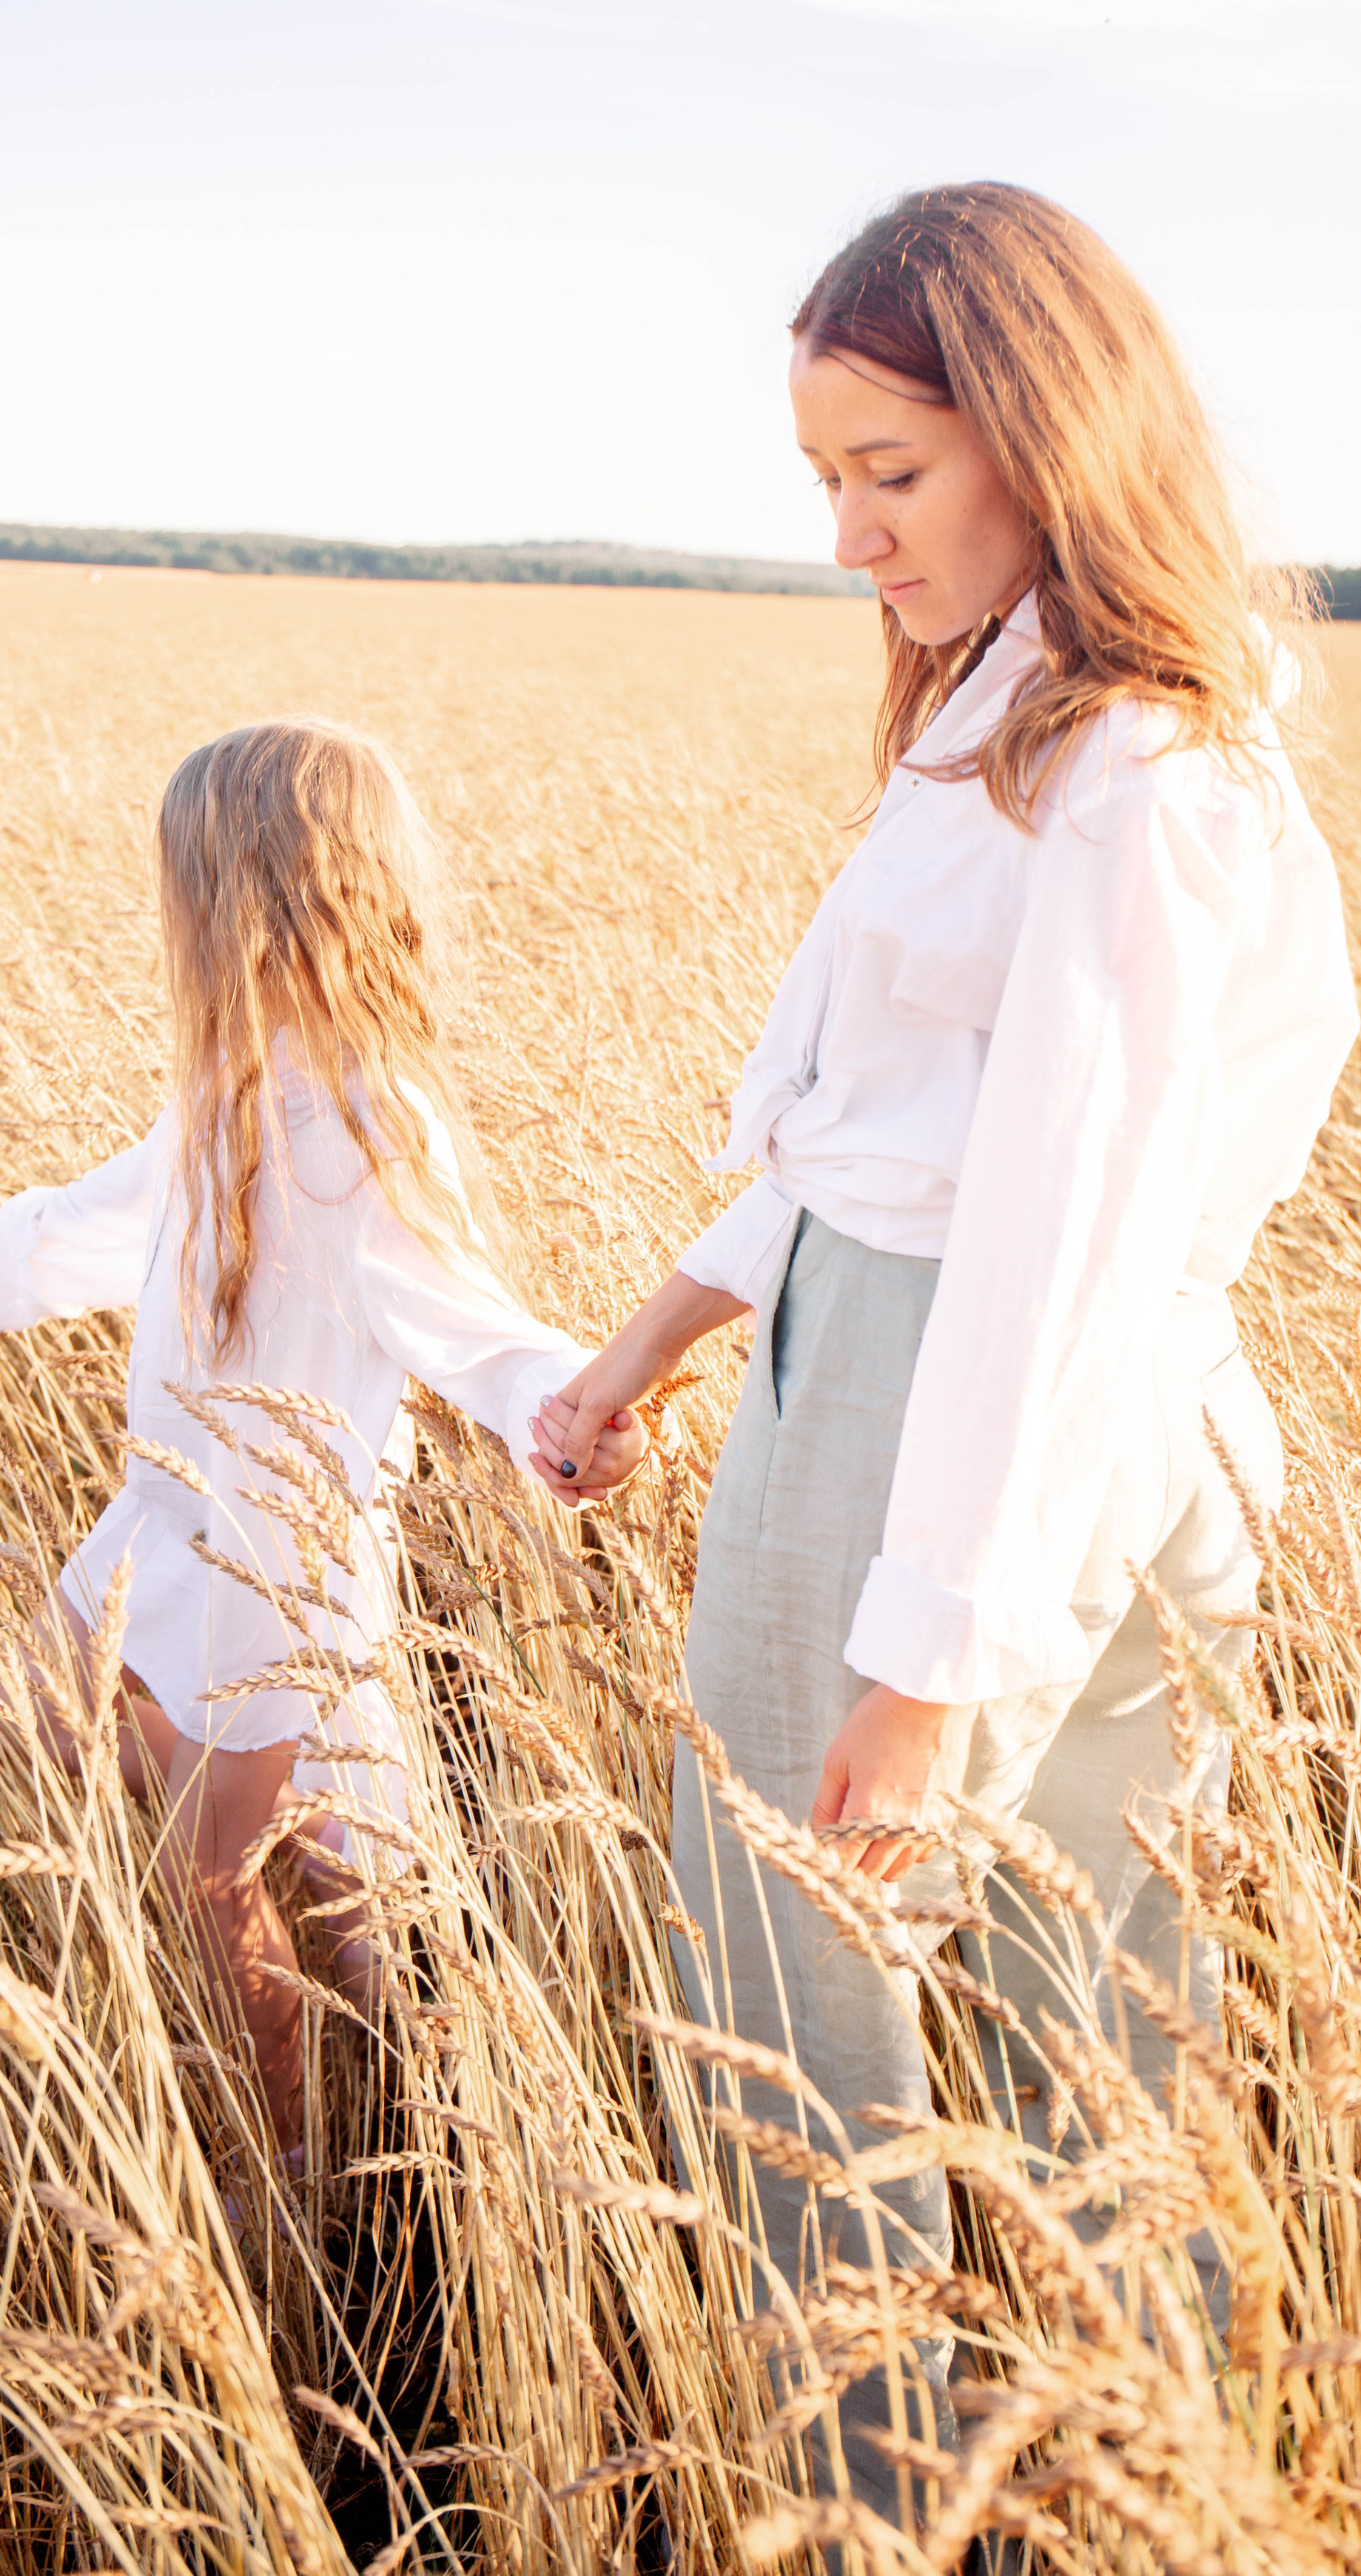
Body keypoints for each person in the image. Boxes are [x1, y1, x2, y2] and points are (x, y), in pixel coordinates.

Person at [533, 182, 1357, 2510]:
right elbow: (886, 1143)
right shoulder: (1032, 729)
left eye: (887, 475)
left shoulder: (1130, 779)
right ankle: (1140, 2502)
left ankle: (882, 2514)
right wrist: (663, 1329)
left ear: (1045, 428)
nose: (846, 538)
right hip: (993, 1408)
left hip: (964, 1434)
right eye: (823, 481)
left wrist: (924, 1659)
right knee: (1097, 2027)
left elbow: (1053, 1249)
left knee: (808, 2025)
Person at [0, 717, 644, 2157]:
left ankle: (298, 2155)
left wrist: (563, 1411)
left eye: (184, 892)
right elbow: (124, 1210)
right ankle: (384, 2024)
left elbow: (470, 1322)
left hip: (268, 1569)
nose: (172, 924)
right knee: (46, 1732)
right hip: (161, 1525)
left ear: (247, 898)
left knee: (209, 1874)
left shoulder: (364, 1132)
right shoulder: (229, 1089)